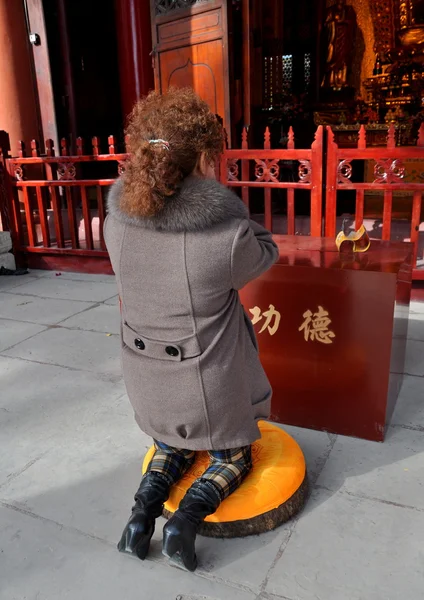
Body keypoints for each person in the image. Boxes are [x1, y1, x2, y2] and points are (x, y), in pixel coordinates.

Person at [104, 88, 279, 572]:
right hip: (208, 388)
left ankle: (139, 519)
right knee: (232, 456)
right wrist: (228, 208)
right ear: (204, 158)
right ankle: (185, 521)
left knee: (170, 447)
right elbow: (266, 252)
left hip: (147, 385)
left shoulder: (113, 224)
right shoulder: (225, 238)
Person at [321, 0, 357, 90]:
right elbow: (326, 24)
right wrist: (334, 22)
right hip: (334, 39)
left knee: (344, 59)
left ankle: (343, 80)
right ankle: (331, 81)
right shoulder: (331, 10)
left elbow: (352, 23)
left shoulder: (349, 10)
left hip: (344, 39)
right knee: (333, 59)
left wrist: (343, 21)